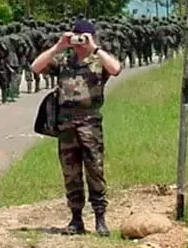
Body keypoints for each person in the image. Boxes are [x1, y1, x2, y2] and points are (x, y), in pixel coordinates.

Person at [30, 19, 122, 237]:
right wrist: (58, 46)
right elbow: (35, 67)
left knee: (95, 171)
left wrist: (94, 48)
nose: (79, 42)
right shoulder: (64, 61)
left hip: (89, 122)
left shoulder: (98, 62)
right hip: (66, 124)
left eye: (83, 37)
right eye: (76, 37)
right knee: (70, 173)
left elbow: (116, 69)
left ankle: (100, 217)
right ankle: (76, 218)